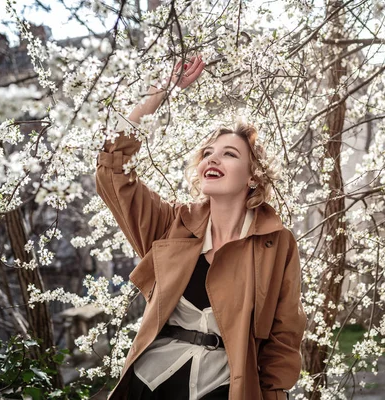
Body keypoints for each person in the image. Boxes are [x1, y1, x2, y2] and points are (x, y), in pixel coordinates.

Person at [96, 55, 306, 400]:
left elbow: (284, 335)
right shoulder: (170, 225)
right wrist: (159, 93)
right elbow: (111, 169)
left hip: (224, 388)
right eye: (208, 153)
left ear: (253, 177)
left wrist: (274, 393)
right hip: (148, 385)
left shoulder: (277, 243)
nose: (212, 159)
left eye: (229, 154)